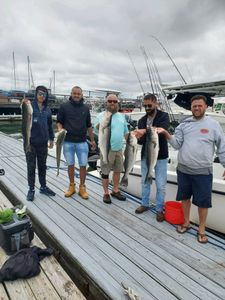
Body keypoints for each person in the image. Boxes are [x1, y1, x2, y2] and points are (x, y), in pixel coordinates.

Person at [157, 95, 225, 243]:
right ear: (191, 108)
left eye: (200, 105)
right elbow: (176, 145)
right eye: (194, 106)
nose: (197, 108)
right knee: (185, 199)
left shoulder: (214, 125)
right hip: (184, 170)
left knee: (203, 203)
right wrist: (166, 133)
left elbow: (222, 148)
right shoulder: (183, 125)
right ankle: (186, 222)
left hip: (203, 172)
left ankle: (201, 229)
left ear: (206, 107)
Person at [133, 93, 170, 221]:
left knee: (161, 185)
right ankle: (144, 204)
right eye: (145, 105)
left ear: (155, 103)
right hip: (145, 156)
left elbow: (162, 129)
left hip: (161, 156)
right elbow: (142, 142)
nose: (147, 107)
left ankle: (159, 209)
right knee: (145, 182)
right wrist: (136, 137)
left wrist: (145, 131)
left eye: (150, 105)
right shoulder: (141, 120)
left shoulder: (163, 116)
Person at [56, 86, 96, 199]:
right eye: (74, 93)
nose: (76, 95)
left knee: (83, 165)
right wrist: (60, 129)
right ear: (71, 94)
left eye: (78, 94)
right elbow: (59, 122)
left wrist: (92, 140)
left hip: (82, 142)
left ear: (81, 95)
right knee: (71, 165)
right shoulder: (64, 106)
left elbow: (89, 126)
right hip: (67, 142)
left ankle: (82, 188)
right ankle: (72, 186)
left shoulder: (86, 108)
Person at [94, 94, 129, 204]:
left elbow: (126, 132)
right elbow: (96, 130)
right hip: (106, 149)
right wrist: (102, 124)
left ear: (117, 103)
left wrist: (132, 142)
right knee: (105, 172)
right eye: (110, 101)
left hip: (118, 149)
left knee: (118, 171)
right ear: (106, 102)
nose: (112, 103)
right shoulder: (101, 116)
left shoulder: (121, 116)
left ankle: (115, 190)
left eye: (115, 101)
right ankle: (105, 193)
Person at [23, 86, 56, 201]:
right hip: (30, 143)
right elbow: (24, 112)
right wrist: (24, 104)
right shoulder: (30, 106)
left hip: (43, 144)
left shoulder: (47, 109)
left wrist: (51, 139)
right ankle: (31, 189)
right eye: (40, 93)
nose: (42, 96)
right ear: (36, 94)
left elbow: (50, 126)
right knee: (31, 167)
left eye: (44, 94)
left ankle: (43, 187)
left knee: (42, 166)